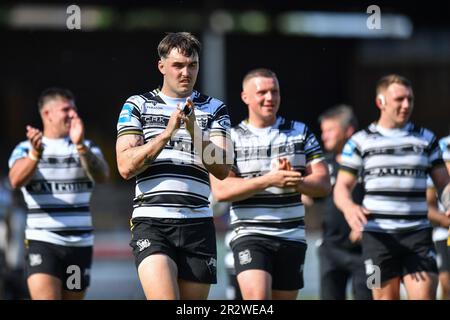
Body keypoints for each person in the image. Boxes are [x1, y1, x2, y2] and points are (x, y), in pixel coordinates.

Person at [116, 32, 231, 300]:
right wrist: (166, 134)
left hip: (198, 224)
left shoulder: (215, 109)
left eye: (192, 65)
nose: (185, 72)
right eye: (178, 65)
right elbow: (124, 165)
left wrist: (194, 131)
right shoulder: (138, 105)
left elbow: (222, 168)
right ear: (162, 66)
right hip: (153, 223)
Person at [210, 68, 331, 300]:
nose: (270, 98)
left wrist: (296, 181)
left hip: (291, 235)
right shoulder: (229, 138)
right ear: (245, 97)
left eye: (274, 91)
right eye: (262, 92)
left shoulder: (301, 132)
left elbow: (323, 184)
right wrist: (269, 180)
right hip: (250, 234)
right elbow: (222, 190)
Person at [334, 74, 450, 300]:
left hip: (418, 236)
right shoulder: (360, 141)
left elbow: (444, 183)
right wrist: (349, 208)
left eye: (410, 99)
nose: (406, 105)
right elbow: (341, 188)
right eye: (399, 99)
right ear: (381, 102)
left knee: (425, 296)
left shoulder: (426, 140)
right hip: (377, 239)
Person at [8, 87, 109, 300]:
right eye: (66, 109)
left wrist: (80, 146)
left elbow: (102, 176)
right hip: (43, 241)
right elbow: (15, 180)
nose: (73, 114)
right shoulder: (25, 148)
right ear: (47, 114)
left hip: (79, 245)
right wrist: (36, 154)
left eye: (74, 109)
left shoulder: (86, 146)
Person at [314, 105, 372, 300]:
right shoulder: (323, 165)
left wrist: (367, 225)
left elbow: (383, 196)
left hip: (369, 249)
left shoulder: (370, 163)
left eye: (330, 130)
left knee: (373, 295)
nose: (324, 136)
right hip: (331, 249)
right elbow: (308, 197)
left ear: (348, 131)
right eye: (323, 131)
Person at [426, 134, 450, 299]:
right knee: (446, 283)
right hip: (444, 231)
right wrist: (445, 220)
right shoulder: (442, 145)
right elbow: (427, 204)